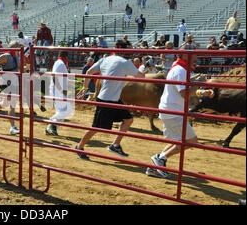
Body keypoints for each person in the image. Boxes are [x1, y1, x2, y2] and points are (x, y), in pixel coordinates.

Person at [146, 44, 215, 179]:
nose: (195, 55)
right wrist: (201, 91)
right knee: (192, 141)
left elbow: (186, 90)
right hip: (173, 111)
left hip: (170, 109)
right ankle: (160, 158)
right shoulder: (180, 70)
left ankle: (155, 166)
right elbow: (184, 93)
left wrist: (201, 88)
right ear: (184, 55)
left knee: (175, 142)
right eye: (192, 53)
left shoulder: (182, 68)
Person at [75, 40, 145, 160]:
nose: (129, 51)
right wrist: (144, 68)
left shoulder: (105, 59)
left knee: (128, 120)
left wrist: (85, 88)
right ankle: (79, 147)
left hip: (112, 99)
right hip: (107, 100)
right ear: (122, 49)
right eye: (128, 49)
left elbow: (88, 72)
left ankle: (115, 145)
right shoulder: (125, 62)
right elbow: (141, 77)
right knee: (96, 127)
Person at [45, 51, 74, 136]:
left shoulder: (60, 63)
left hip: (59, 91)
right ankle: (51, 123)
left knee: (63, 112)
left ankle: (51, 129)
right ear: (66, 56)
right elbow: (54, 76)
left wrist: (74, 82)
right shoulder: (60, 63)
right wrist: (61, 89)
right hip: (58, 91)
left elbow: (64, 78)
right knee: (66, 111)